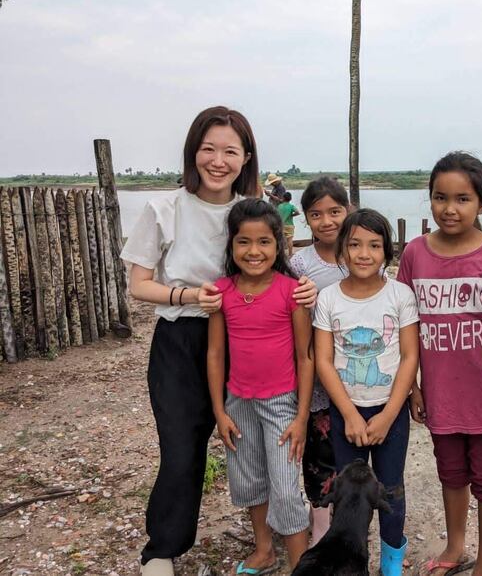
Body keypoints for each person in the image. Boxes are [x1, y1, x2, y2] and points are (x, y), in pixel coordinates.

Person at [120, 106, 316, 576]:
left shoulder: (248, 212)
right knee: (182, 448)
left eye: (230, 150)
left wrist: (305, 286)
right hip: (184, 336)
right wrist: (189, 294)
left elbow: (277, 266)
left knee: (256, 445)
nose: (218, 160)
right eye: (208, 149)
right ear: (193, 152)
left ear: (246, 157)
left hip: (253, 334)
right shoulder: (163, 208)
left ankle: (278, 543)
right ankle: (161, 550)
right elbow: (138, 283)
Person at [398, 152, 482, 576]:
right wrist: (413, 386)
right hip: (440, 391)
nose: (450, 209)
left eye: (463, 199)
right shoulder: (414, 254)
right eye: (440, 197)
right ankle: (455, 547)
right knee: (450, 473)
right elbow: (405, 325)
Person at [208, 199, 313, 573]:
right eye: (244, 242)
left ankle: (300, 564)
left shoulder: (291, 292)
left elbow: (305, 357)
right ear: (231, 246)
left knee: (285, 488)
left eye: (264, 242)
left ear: (278, 245)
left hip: (282, 405)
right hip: (238, 404)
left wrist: (301, 417)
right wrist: (220, 411)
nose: (254, 251)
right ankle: (265, 549)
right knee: (250, 480)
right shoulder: (222, 292)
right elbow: (216, 354)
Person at [314, 209, 420, 576]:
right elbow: (324, 361)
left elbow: (409, 356)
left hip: (391, 412)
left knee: (390, 490)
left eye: (374, 245)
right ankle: (347, 559)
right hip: (347, 412)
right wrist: (351, 415)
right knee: (347, 496)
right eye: (355, 244)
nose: (364, 253)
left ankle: (391, 563)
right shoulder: (328, 298)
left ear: (387, 252)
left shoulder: (400, 295)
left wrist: (389, 414)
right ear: (341, 249)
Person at [289, 176, 351, 546]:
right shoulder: (300, 264)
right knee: (318, 454)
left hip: (356, 372)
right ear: (305, 218)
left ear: (348, 211)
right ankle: (321, 524)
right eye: (316, 214)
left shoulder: (360, 255)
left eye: (335, 212)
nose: (327, 221)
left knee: (353, 449)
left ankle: (352, 518)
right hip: (315, 372)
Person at [277, 192, 300, 256]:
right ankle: (290, 254)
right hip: (289, 225)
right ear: (290, 199)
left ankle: (281, 254)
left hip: (281, 225)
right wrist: (292, 215)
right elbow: (298, 212)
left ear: (283, 198)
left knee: (281, 240)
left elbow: (277, 215)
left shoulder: (279, 206)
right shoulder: (291, 206)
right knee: (289, 240)